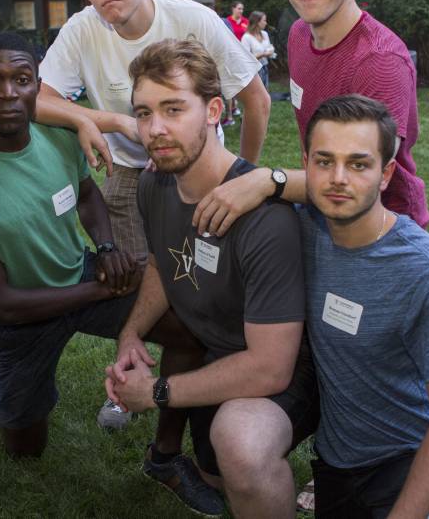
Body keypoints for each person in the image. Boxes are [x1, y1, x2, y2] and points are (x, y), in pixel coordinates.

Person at [0, 34, 214, 508]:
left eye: (21, 80)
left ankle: (165, 454)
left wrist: (105, 247)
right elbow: (2, 304)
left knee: (190, 330)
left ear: (37, 86)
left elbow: (86, 194)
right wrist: (100, 291)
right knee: (25, 448)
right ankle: (33, 404)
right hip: (21, 316)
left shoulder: (59, 132)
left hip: (82, 273)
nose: (7, 93)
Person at [36, 0, 270, 428]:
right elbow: (39, 100)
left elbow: (256, 98)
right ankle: (135, 382)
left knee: (209, 283)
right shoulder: (82, 30)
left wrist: (241, 176)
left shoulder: (193, 20)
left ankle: (225, 375)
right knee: (144, 289)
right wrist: (103, 120)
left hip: (201, 174)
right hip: (127, 174)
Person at [106, 38, 318, 519]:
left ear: (214, 111)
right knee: (217, 475)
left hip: (289, 367)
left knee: (240, 448)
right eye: (143, 113)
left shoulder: (265, 219)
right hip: (218, 355)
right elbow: (164, 260)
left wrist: (157, 391)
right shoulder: (152, 183)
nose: (155, 129)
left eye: (173, 108)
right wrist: (131, 332)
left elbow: (271, 369)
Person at [191, 0, 429, 241]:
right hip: (322, 217)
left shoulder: (379, 61)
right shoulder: (300, 35)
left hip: (381, 233)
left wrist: (268, 180)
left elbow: (361, 177)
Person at [299, 94, 429, 518]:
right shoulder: (300, 229)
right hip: (337, 459)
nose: (338, 178)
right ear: (305, 163)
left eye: (358, 164)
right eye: (324, 161)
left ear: (386, 173)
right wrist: (261, 180)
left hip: (414, 454)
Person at [241, 10, 276, 89]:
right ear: (257, 22)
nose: (266, 23)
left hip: (264, 67)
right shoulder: (246, 37)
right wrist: (263, 54)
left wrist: (271, 50)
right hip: (254, 72)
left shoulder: (264, 34)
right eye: (264, 20)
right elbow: (245, 59)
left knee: (265, 93)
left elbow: (269, 47)